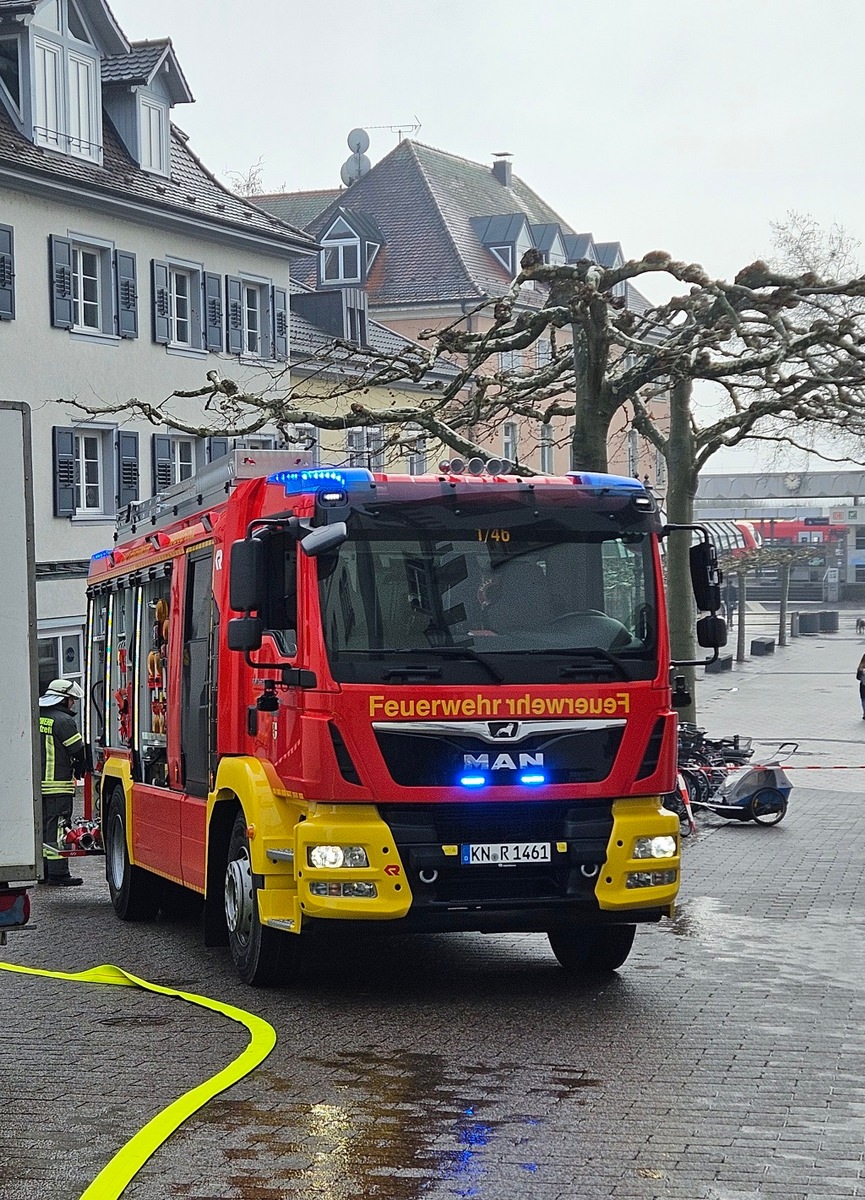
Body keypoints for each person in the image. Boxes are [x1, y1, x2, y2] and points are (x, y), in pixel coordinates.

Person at [38, 678, 87, 886]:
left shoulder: (38, 716)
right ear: (63, 699)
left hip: (37, 785)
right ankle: (59, 874)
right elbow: (77, 750)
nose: (73, 704)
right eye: (72, 700)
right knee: (58, 828)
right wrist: (81, 766)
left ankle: (44, 871)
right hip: (57, 784)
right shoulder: (64, 721)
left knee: (42, 828)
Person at [857, 653, 865, 721]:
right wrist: (860, 670)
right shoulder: (861, 668)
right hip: (863, 687)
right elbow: (858, 677)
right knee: (863, 701)